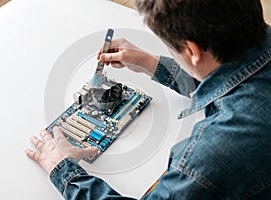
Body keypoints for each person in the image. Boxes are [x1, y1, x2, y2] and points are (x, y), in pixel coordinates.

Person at [25, 0, 271, 199]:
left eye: (170, 46)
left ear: (192, 51)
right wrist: (149, 62)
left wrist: (64, 169)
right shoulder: (250, 38)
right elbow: (231, 72)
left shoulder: (206, 160)